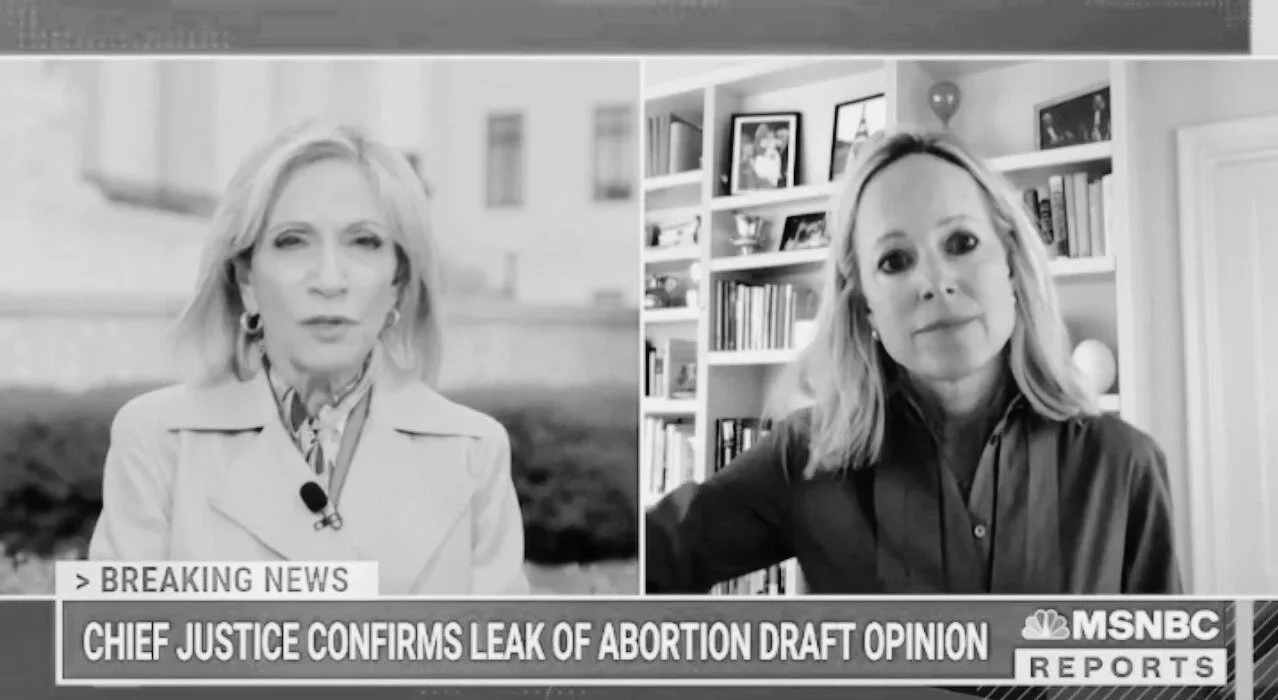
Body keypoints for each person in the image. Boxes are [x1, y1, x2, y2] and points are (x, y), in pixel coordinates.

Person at [646, 130, 1182, 596]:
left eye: (962, 242)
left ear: (1011, 266)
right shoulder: (807, 456)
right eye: (895, 260)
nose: (934, 282)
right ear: (865, 304)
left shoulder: (1124, 465)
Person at [88, 122, 530, 596]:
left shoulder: (474, 451)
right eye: (292, 241)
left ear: (398, 280)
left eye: (363, 241)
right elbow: (118, 652)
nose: (329, 279)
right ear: (246, 281)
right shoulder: (157, 442)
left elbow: (498, 664)